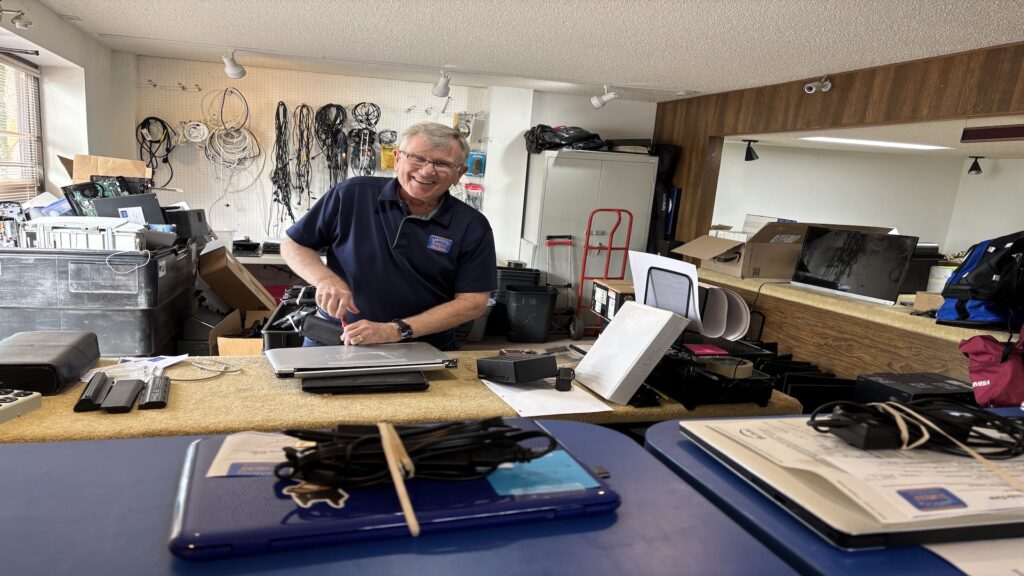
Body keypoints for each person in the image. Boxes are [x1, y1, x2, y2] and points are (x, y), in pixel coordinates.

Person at [281, 121, 496, 350]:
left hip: (422, 347)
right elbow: (294, 244)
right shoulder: (352, 194)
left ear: (459, 174)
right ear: (397, 159)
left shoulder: (472, 226)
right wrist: (325, 280)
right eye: (418, 158)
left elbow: (472, 303)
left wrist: (396, 330)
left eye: (442, 163)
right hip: (336, 337)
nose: (426, 170)